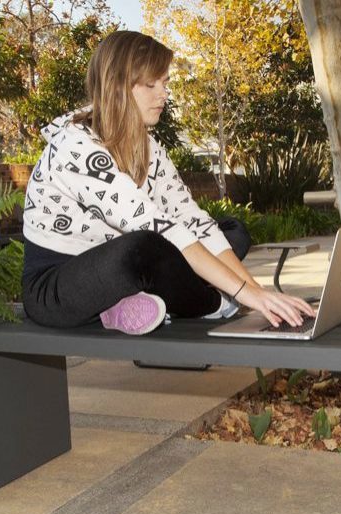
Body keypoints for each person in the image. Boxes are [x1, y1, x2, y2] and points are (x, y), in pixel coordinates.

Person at [21, 30, 314, 335]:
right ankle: (212, 304)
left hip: (132, 265)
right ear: (118, 85)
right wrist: (240, 297)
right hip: (56, 287)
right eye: (152, 84)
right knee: (144, 248)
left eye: (165, 83)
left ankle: (127, 305)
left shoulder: (150, 149)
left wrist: (258, 290)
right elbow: (155, 225)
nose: (164, 94)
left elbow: (191, 219)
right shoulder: (75, 147)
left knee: (231, 232)